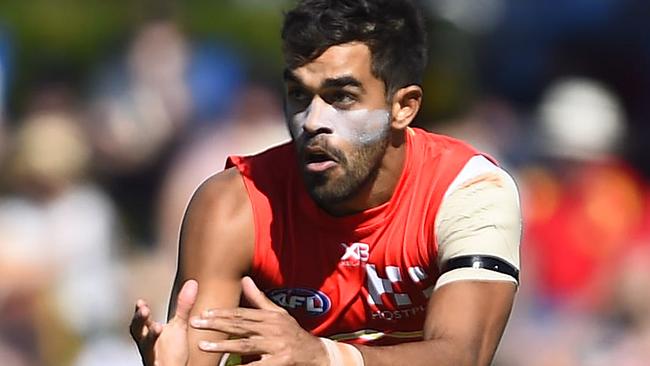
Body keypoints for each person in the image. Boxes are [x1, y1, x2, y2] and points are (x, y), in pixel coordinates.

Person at [130, 0, 522, 365]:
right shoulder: (234, 204)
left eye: (342, 97)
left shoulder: (468, 191)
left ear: (403, 107)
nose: (313, 120)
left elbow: (463, 354)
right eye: (299, 94)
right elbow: (195, 356)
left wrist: (322, 356)